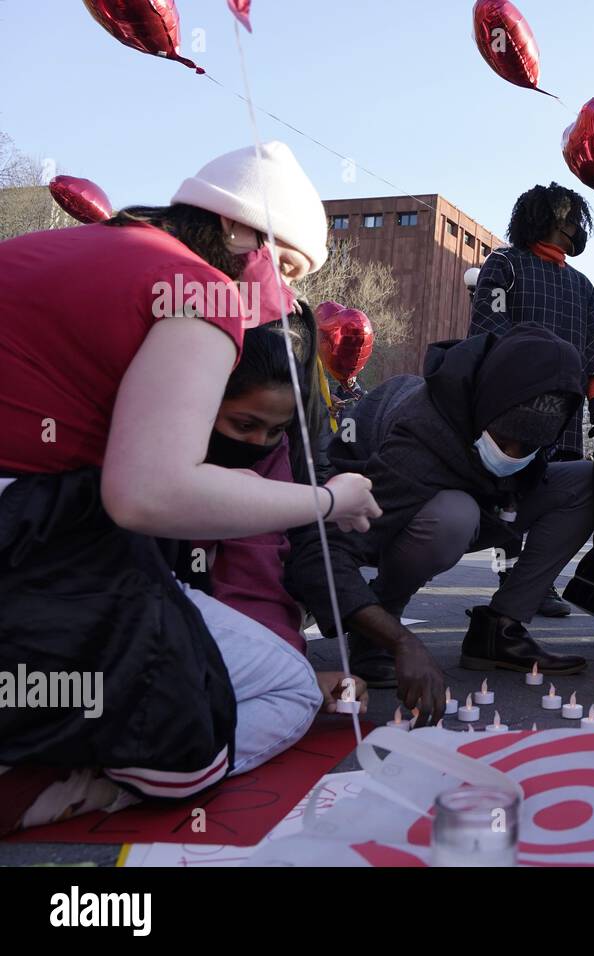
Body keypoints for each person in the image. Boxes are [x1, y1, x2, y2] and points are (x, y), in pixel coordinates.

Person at [0, 141, 380, 831]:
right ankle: (71, 781)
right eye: (285, 265)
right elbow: (150, 492)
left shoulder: (75, 252)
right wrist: (331, 499)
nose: (284, 297)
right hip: (29, 538)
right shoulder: (200, 290)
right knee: (264, 699)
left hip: (34, 527)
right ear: (235, 231)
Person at [285, 326, 592, 719]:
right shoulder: (418, 435)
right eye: (504, 438)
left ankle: (500, 628)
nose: (511, 455)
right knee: (453, 515)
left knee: (584, 481)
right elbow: (320, 551)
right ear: (486, 403)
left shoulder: (532, 421)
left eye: (527, 447)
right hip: (393, 513)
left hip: (487, 505)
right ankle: (377, 626)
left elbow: (524, 461)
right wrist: (399, 641)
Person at [178, 322, 368, 715]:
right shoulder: (157, 446)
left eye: (275, 431)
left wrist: (289, 663)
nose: (258, 444)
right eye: (244, 425)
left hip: (191, 619)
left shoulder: (270, 452)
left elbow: (257, 568)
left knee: (288, 691)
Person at [470, 183, 594, 616]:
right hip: (513, 411)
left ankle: (539, 582)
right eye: (568, 219)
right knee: (508, 500)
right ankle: (508, 577)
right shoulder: (504, 264)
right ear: (547, 218)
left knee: (560, 497)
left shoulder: (583, 285)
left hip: (564, 413)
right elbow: (486, 327)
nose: (574, 228)